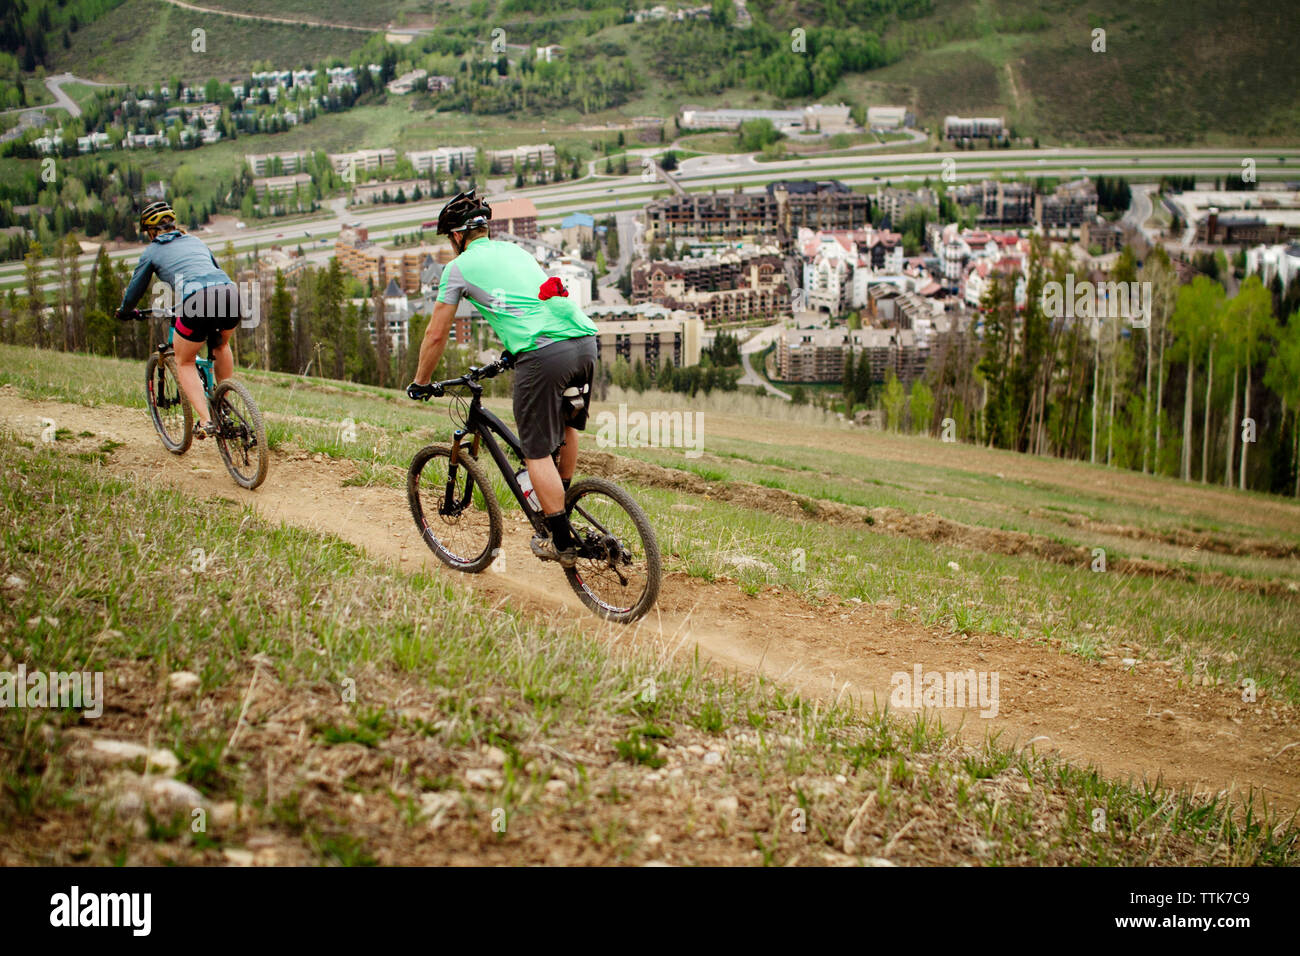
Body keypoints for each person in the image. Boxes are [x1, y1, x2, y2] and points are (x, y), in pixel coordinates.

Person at [408, 189, 599, 568]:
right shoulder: (517, 251)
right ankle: (558, 506)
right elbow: (534, 303)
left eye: (450, 239)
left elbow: (435, 334)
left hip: (544, 354)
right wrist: (511, 353)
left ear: (457, 236)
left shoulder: (457, 269)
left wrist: (420, 381)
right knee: (566, 425)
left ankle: (560, 540)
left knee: (535, 452)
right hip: (584, 340)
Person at [116, 200, 240, 439]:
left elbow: (135, 290)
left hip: (196, 300)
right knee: (221, 344)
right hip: (228, 291)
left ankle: (206, 421)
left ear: (151, 231)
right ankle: (224, 405)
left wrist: (125, 311)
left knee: (184, 361)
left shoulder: (152, 250)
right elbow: (213, 268)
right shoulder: (195, 240)